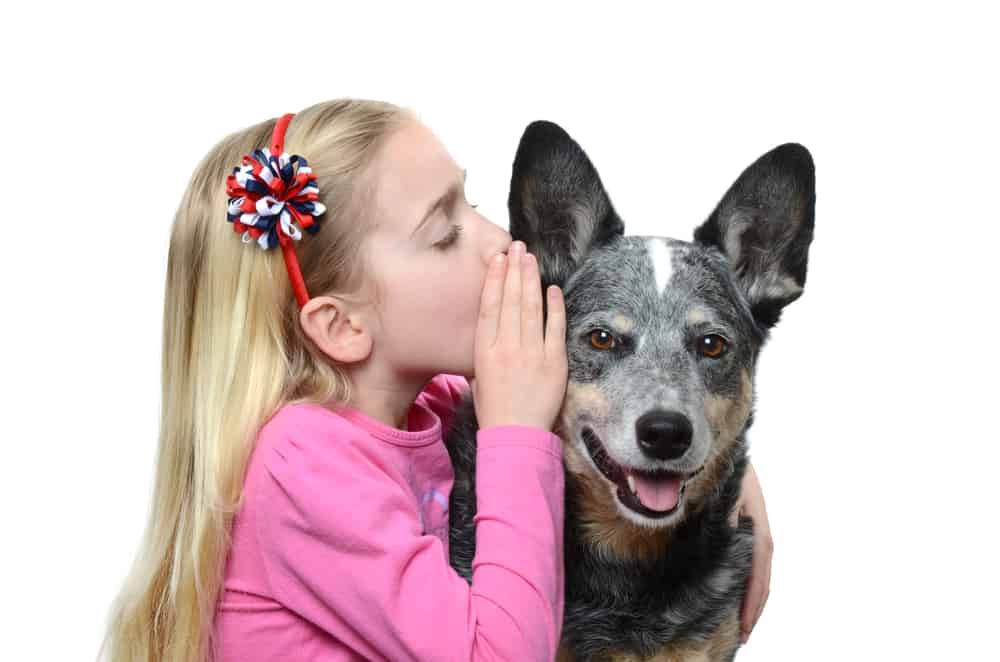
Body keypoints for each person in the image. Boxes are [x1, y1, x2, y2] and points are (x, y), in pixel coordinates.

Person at [98, 98, 772, 662]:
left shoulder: (430, 409)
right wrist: (515, 433)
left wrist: (718, 471)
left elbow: (619, 412)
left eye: (470, 203)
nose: (503, 243)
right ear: (342, 326)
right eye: (446, 232)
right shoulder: (299, 461)